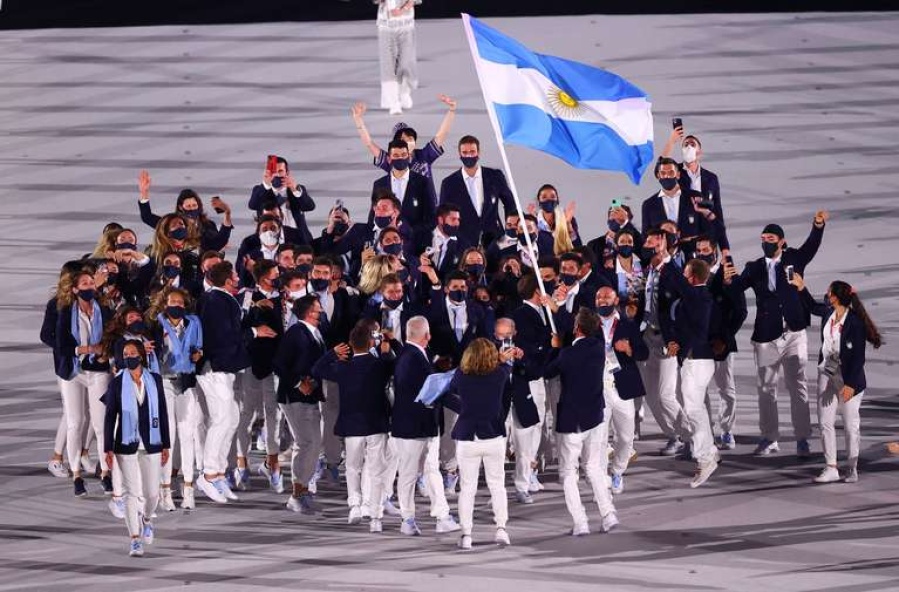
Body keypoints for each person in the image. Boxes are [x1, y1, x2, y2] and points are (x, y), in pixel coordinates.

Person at [728, 212, 829, 456]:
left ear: (781, 241)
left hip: (794, 332)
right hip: (766, 337)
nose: (766, 242)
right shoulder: (754, 268)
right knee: (766, 389)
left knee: (798, 386)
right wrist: (727, 281)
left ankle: (802, 437)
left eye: (771, 238)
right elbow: (736, 288)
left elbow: (811, 246)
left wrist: (817, 226)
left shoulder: (794, 258)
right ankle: (769, 437)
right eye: (763, 238)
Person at [792, 276, 882, 483]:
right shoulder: (827, 312)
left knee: (850, 425)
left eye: (829, 292)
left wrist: (850, 384)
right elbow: (812, 306)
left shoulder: (855, 323)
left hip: (849, 376)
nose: (826, 294)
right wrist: (801, 288)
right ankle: (831, 466)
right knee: (825, 421)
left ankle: (852, 467)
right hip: (828, 370)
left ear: (835, 297)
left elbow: (858, 356)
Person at [196, 262, 273, 503]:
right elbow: (222, 335)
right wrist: (253, 332)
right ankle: (207, 474)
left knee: (231, 419)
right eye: (234, 275)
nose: (238, 277)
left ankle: (218, 473)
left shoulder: (221, 300)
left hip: (224, 369)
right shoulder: (216, 301)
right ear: (228, 280)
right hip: (215, 368)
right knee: (220, 420)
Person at [312, 319, 393, 532]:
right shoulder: (379, 365)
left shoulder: (342, 367)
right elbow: (393, 366)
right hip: (376, 424)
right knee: (376, 469)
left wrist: (332, 353)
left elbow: (317, 369)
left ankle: (355, 506)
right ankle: (374, 513)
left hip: (352, 424)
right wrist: (385, 351)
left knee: (352, 467)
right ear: (371, 342)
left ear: (350, 343)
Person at [545, 309, 618, 536]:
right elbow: (585, 333)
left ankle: (580, 521)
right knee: (594, 467)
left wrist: (554, 347)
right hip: (595, 418)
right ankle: (608, 515)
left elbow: (548, 371)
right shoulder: (598, 347)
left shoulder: (566, 354)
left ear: (577, 328)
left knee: (568, 472)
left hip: (572, 422)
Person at [390, 316, 461, 535]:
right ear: (427, 335)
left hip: (418, 426)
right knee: (411, 473)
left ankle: (440, 516)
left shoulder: (411, 355)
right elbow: (428, 392)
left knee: (427, 471)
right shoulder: (413, 358)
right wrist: (464, 407)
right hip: (414, 427)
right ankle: (409, 519)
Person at [442, 338, 514, 550]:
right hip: (493, 437)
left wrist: (463, 409)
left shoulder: (461, 376)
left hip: (468, 438)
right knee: (497, 486)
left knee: (467, 489)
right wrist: (501, 359)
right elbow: (505, 366)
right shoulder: (500, 374)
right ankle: (501, 529)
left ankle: (466, 534)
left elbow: (448, 394)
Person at [102, 339, 171, 558]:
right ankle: (134, 539)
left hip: (151, 442)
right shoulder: (116, 383)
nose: (128, 356)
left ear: (140, 356)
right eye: (125, 353)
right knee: (131, 493)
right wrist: (107, 448)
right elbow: (110, 416)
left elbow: (162, 412)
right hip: (125, 443)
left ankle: (147, 519)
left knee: (152, 494)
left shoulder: (155, 380)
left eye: (132, 353)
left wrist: (166, 444)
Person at [55, 269, 113, 497]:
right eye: (85, 284)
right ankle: (77, 475)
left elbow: (112, 336)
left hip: (98, 370)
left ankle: (106, 473)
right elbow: (61, 346)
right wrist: (88, 349)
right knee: (75, 422)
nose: (90, 287)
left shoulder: (104, 309)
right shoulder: (66, 311)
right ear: (75, 289)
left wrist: (105, 353)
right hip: (74, 371)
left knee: (100, 424)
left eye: (92, 283)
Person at [149, 287, 204, 511]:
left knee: (187, 433)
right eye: (173, 301)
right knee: (168, 435)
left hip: (185, 381)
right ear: (164, 304)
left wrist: (198, 355)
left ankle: (188, 488)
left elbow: (199, 349)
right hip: (163, 380)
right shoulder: (155, 326)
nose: (177, 305)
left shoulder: (193, 324)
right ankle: (165, 489)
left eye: (181, 302)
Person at [272, 295, 328, 512]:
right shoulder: (295, 333)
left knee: (313, 443)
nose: (321, 310)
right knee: (306, 442)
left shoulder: (316, 333)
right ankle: (297, 493)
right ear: (308, 312)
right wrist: (297, 383)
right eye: (317, 308)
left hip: (310, 397)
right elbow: (278, 363)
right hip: (293, 397)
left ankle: (303, 489)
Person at [594, 286, 648, 495]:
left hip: (622, 387)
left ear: (616, 300)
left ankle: (617, 470)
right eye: (599, 297)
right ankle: (600, 476)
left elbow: (643, 353)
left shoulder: (628, 325)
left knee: (626, 438)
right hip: (598, 386)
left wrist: (629, 349)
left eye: (607, 296)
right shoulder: (589, 324)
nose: (603, 300)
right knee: (599, 436)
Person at [438, 135, 517, 249]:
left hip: (495, 238)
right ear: (459, 154)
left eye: (472, 151)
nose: (469, 155)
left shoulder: (495, 176)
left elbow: (510, 203)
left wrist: (510, 229)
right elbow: (443, 215)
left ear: (478, 152)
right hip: (463, 241)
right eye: (465, 152)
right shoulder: (449, 183)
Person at [351, 97, 457, 180]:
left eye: (410, 138)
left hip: (427, 207)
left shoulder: (424, 155)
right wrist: (358, 120)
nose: (407, 141)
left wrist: (451, 110)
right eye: (402, 139)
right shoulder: (391, 159)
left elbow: (442, 134)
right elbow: (369, 143)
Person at [660, 127, 729, 251]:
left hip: (706, 240)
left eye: (692, 144)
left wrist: (725, 249)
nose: (689, 147)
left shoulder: (711, 178)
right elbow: (661, 165)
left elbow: (718, 212)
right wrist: (671, 141)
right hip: (683, 238)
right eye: (686, 144)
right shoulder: (676, 172)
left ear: (699, 151)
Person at [137, 171, 233, 253]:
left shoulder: (208, 225)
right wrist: (144, 193)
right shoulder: (170, 223)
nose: (192, 209)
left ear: (199, 206)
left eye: (194, 205)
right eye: (188, 206)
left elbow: (218, 242)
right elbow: (147, 217)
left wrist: (227, 213)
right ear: (181, 207)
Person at [371, 140, 437, 253]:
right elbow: (372, 216)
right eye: (396, 155)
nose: (400, 158)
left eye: (403, 155)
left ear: (409, 157)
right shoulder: (379, 184)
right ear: (389, 159)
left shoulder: (423, 183)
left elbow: (432, 219)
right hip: (386, 247)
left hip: (417, 247)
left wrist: (410, 230)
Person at [247, 156, 316, 244]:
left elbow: (309, 206)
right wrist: (266, 184)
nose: (277, 175)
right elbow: (253, 205)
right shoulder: (261, 190)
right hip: (271, 241)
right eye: (273, 172)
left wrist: (295, 189)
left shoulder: (296, 190)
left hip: (298, 240)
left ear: (287, 173)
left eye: (280, 171)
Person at [375, 0, 420, 114]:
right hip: (386, 26)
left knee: (406, 63)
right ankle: (394, 102)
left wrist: (403, 10)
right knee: (388, 66)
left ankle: (404, 92)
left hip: (406, 25)